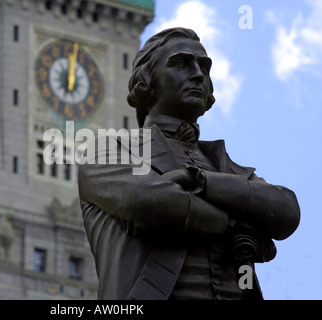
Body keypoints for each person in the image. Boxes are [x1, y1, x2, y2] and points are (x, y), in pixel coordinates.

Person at [77, 27, 300, 300]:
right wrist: (234, 223)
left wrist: (200, 180)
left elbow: (286, 210)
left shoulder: (223, 166)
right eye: (181, 64)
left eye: (204, 67)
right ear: (146, 81)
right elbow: (147, 201)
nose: (197, 74)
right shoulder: (108, 150)